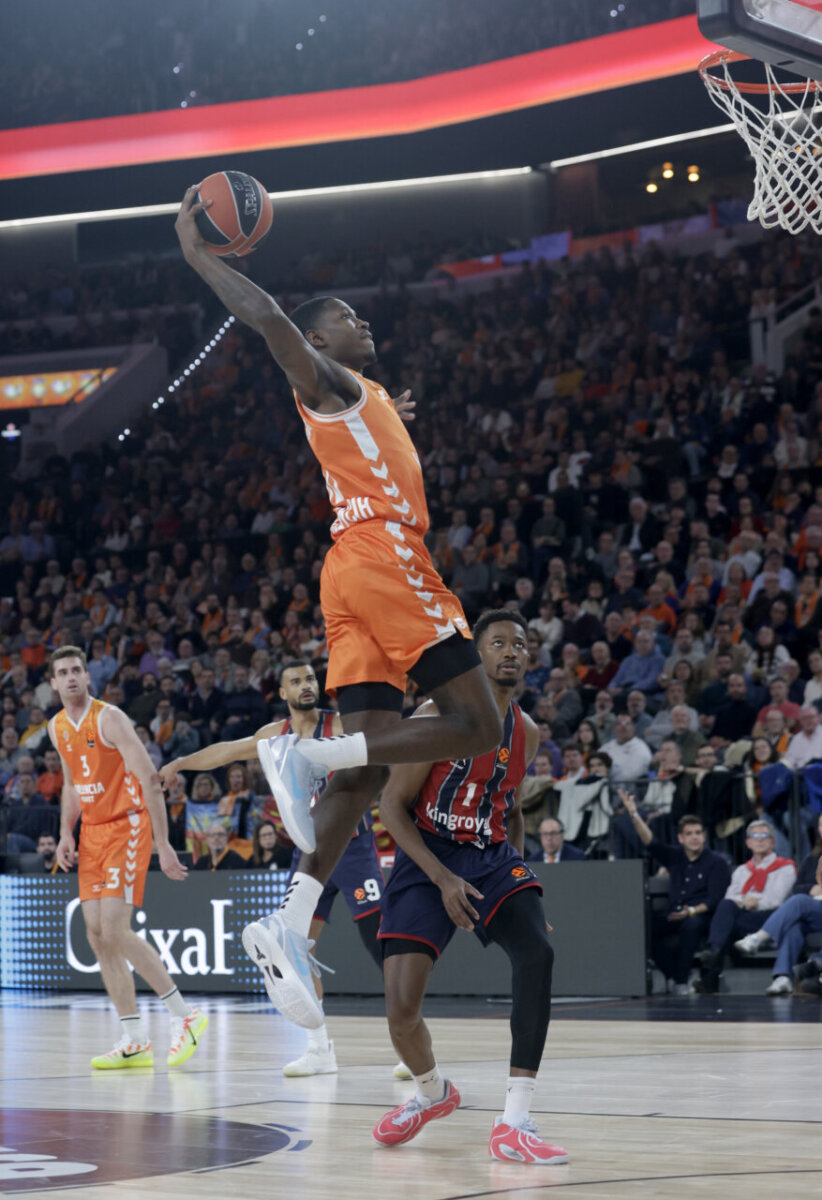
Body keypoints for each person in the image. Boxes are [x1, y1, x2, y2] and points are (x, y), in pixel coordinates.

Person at [176, 191, 503, 1031]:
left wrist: (396, 418)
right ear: (321, 340)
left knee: (362, 774)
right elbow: (273, 319)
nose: (366, 325)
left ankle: (284, 924)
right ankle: (304, 757)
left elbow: (371, 429)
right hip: (387, 559)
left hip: (346, 575)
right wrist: (202, 255)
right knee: (478, 724)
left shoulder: (367, 396)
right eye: (350, 318)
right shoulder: (320, 372)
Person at [373, 610, 567, 1164]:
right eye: (499, 642)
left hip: (489, 856)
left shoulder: (526, 731)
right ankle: (434, 1094)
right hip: (424, 855)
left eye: (521, 644)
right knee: (401, 1013)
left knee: (538, 953)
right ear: (476, 656)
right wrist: (441, 878)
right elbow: (390, 805)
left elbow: (510, 807)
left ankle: (515, 1121)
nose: (511, 651)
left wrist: (522, 886)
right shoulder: (436, 715)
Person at [161, 659, 407, 1080]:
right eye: (296, 681)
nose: (306, 685)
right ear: (282, 693)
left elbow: (385, 750)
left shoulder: (341, 723)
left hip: (353, 847)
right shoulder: (274, 735)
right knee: (297, 952)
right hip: (308, 854)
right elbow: (225, 751)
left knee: (380, 945)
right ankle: (319, 1050)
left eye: (310, 678)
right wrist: (181, 762)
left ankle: (408, 1046)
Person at [48, 646, 207, 1069]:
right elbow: (69, 784)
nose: (71, 678)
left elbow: (150, 781)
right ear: (52, 683)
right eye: (62, 672)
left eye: (77, 670)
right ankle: (134, 1037)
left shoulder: (110, 718)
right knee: (97, 936)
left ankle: (185, 1016)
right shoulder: (56, 727)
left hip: (127, 823)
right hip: (92, 832)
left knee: (115, 930)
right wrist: (66, 831)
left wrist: (163, 842)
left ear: (87, 675)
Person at [619, 794, 730, 994]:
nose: (694, 837)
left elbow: (715, 899)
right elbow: (650, 842)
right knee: (646, 926)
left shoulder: (717, 862)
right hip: (674, 912)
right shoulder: (675, 856)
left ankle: (681, 980)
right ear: (681, 838)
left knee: (691, 925)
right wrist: (634, 813)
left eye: (698, 833)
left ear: (704, 836)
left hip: (701, 915)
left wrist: (692, 911)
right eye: (689, 834)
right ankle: (670, 976)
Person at [697, 819, 797, 993]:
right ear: (748, 843)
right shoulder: (742, 870)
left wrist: (747, 902)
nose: (759, 839)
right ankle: (714, 955)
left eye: (764, 835)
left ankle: (711, 966)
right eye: (755, 836)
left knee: (725, 922)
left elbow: (776, 900)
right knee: (725, 906)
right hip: (743, 920)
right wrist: (747, 902)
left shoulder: (786, 867)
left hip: (770, 921)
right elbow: (730, 897)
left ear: (773, 842)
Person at [734, 812, 822, 994]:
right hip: (815, 908)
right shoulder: (813, 858)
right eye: (821, 825)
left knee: (797, 902)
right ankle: (782, 977)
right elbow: (798, 887)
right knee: (794, 924)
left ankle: (758, 938)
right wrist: (811, 889)